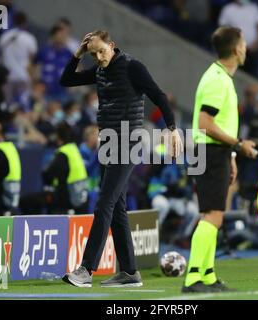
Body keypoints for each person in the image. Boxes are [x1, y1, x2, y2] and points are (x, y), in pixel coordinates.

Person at [60, 30, 183, 288]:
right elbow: (66, 80)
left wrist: (172, 130)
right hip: (107, 143)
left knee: (104, 202)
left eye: (101, 51)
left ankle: (86, 270)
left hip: (128, 142)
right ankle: (129, 272)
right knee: (116, 208)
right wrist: (78, 54)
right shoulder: (99, 70)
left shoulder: (132, 67)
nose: (98, 57)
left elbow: (158, 96)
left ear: (112, 46)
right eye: (93, 54)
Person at [185, 26, 257, 293]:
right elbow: (205, 123)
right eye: (244, 43)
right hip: (210, 152)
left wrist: (233, 155)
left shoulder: (220, 77)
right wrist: (238, 144)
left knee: (214, 215)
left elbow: (219, 123)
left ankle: (208, 275)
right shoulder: (217, 80)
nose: (246, 47)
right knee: (212, 215)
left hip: (216, 152)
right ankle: (193, 277)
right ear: (237, 49)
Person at [20, 122, 88, 215]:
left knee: (26, 201)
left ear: (58, 136)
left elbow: (48, 175)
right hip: (79, 199)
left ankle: (36, 225)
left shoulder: (63, 153)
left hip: (66, 199)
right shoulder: (74, 149)